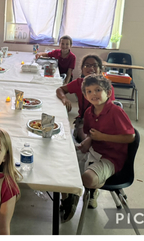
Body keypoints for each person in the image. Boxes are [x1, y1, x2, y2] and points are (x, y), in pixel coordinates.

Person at [62, 75, 135, 221]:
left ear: (108, 93)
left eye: (98, 90)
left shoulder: (116, 111)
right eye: (89, 91)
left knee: (87, 178)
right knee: (62, 162)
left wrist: (103, 137)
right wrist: (88, 140)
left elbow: (130, 137)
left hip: (111, 158)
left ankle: (83, 192)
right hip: (93, 151)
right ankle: (68, 198)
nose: (93, 94)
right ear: (84, 95)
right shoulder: (89, 112)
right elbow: (91, 133)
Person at [56, 55, 115, 123]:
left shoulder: (107, 86)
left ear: (100, 69)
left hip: (102, 121)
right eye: (87, 65)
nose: (91, 68)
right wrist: (64, 98)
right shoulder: (79, 83)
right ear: (82, 69)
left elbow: (111, 110)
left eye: (95, 65)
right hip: (84, 120)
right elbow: (60, 90)